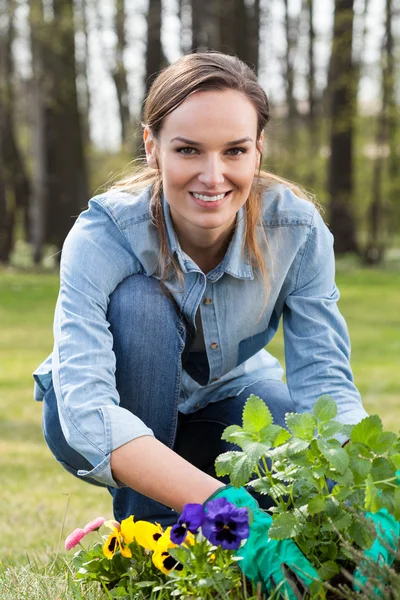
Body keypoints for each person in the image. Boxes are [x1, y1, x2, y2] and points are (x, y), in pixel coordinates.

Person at [32, 52, 394, 597]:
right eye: (187, 150)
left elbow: (326, 384)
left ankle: (166, 533)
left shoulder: (296, 230)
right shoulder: (103, 234)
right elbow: (87, 413)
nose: (213, 175)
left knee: (284, 430)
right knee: (140, 307)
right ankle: (150, 542)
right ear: (152, 147)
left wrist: (362, 495)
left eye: (235, 150)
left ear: (258, 149)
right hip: (99, 417)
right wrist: (227, 509)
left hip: (221, 411)